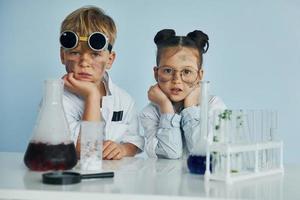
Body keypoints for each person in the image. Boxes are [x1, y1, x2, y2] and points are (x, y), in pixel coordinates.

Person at [60, 6, 144, 160]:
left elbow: (134, 141)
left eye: (95, 54)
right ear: (63, 56)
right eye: (75, 52)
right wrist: (91, 95)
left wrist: (123, 149)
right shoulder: (57, 100)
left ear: (110, 60)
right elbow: (86, 151)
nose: (84, 62)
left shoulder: (124, 100)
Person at [140, 29, 226, 159]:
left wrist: (190, 106)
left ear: (199, 75)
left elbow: (204, 152)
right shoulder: (150, 113)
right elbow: (170, 153)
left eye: (186, 72)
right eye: (168, 70)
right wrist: (165, 107)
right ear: (156, 73)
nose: (176, 80)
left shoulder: (214, 106)